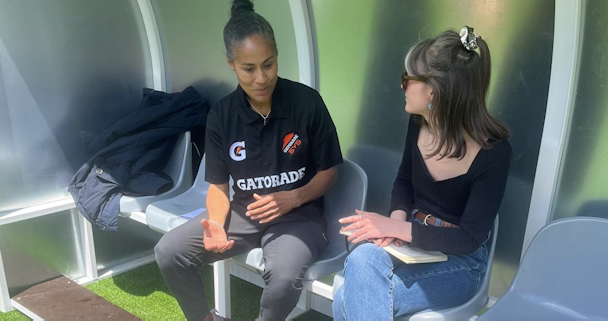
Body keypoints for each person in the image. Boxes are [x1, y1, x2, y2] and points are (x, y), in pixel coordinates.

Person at [154, 0, 343, 320]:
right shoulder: (222, 115)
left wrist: (293, 197)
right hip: (243, 213)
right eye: (248, 68)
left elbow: (330, 173)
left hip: (299, 217)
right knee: (169, 251)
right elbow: (217, 187)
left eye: (268, 64)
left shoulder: (307, 103)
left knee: (283, 279)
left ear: (277, 56)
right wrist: (215, 224)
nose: (261, 78)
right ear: (231, 63)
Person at [333, 27, 512, 320]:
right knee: (363, 257)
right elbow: (404, 181)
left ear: (434, 91)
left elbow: (469, 239)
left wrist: (395, 229)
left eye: (407, 79)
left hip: (462, 262)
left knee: (346, 300)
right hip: (410, 241)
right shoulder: (419, 122)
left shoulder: (494, 153)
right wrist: (396, 225)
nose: (402, 87)